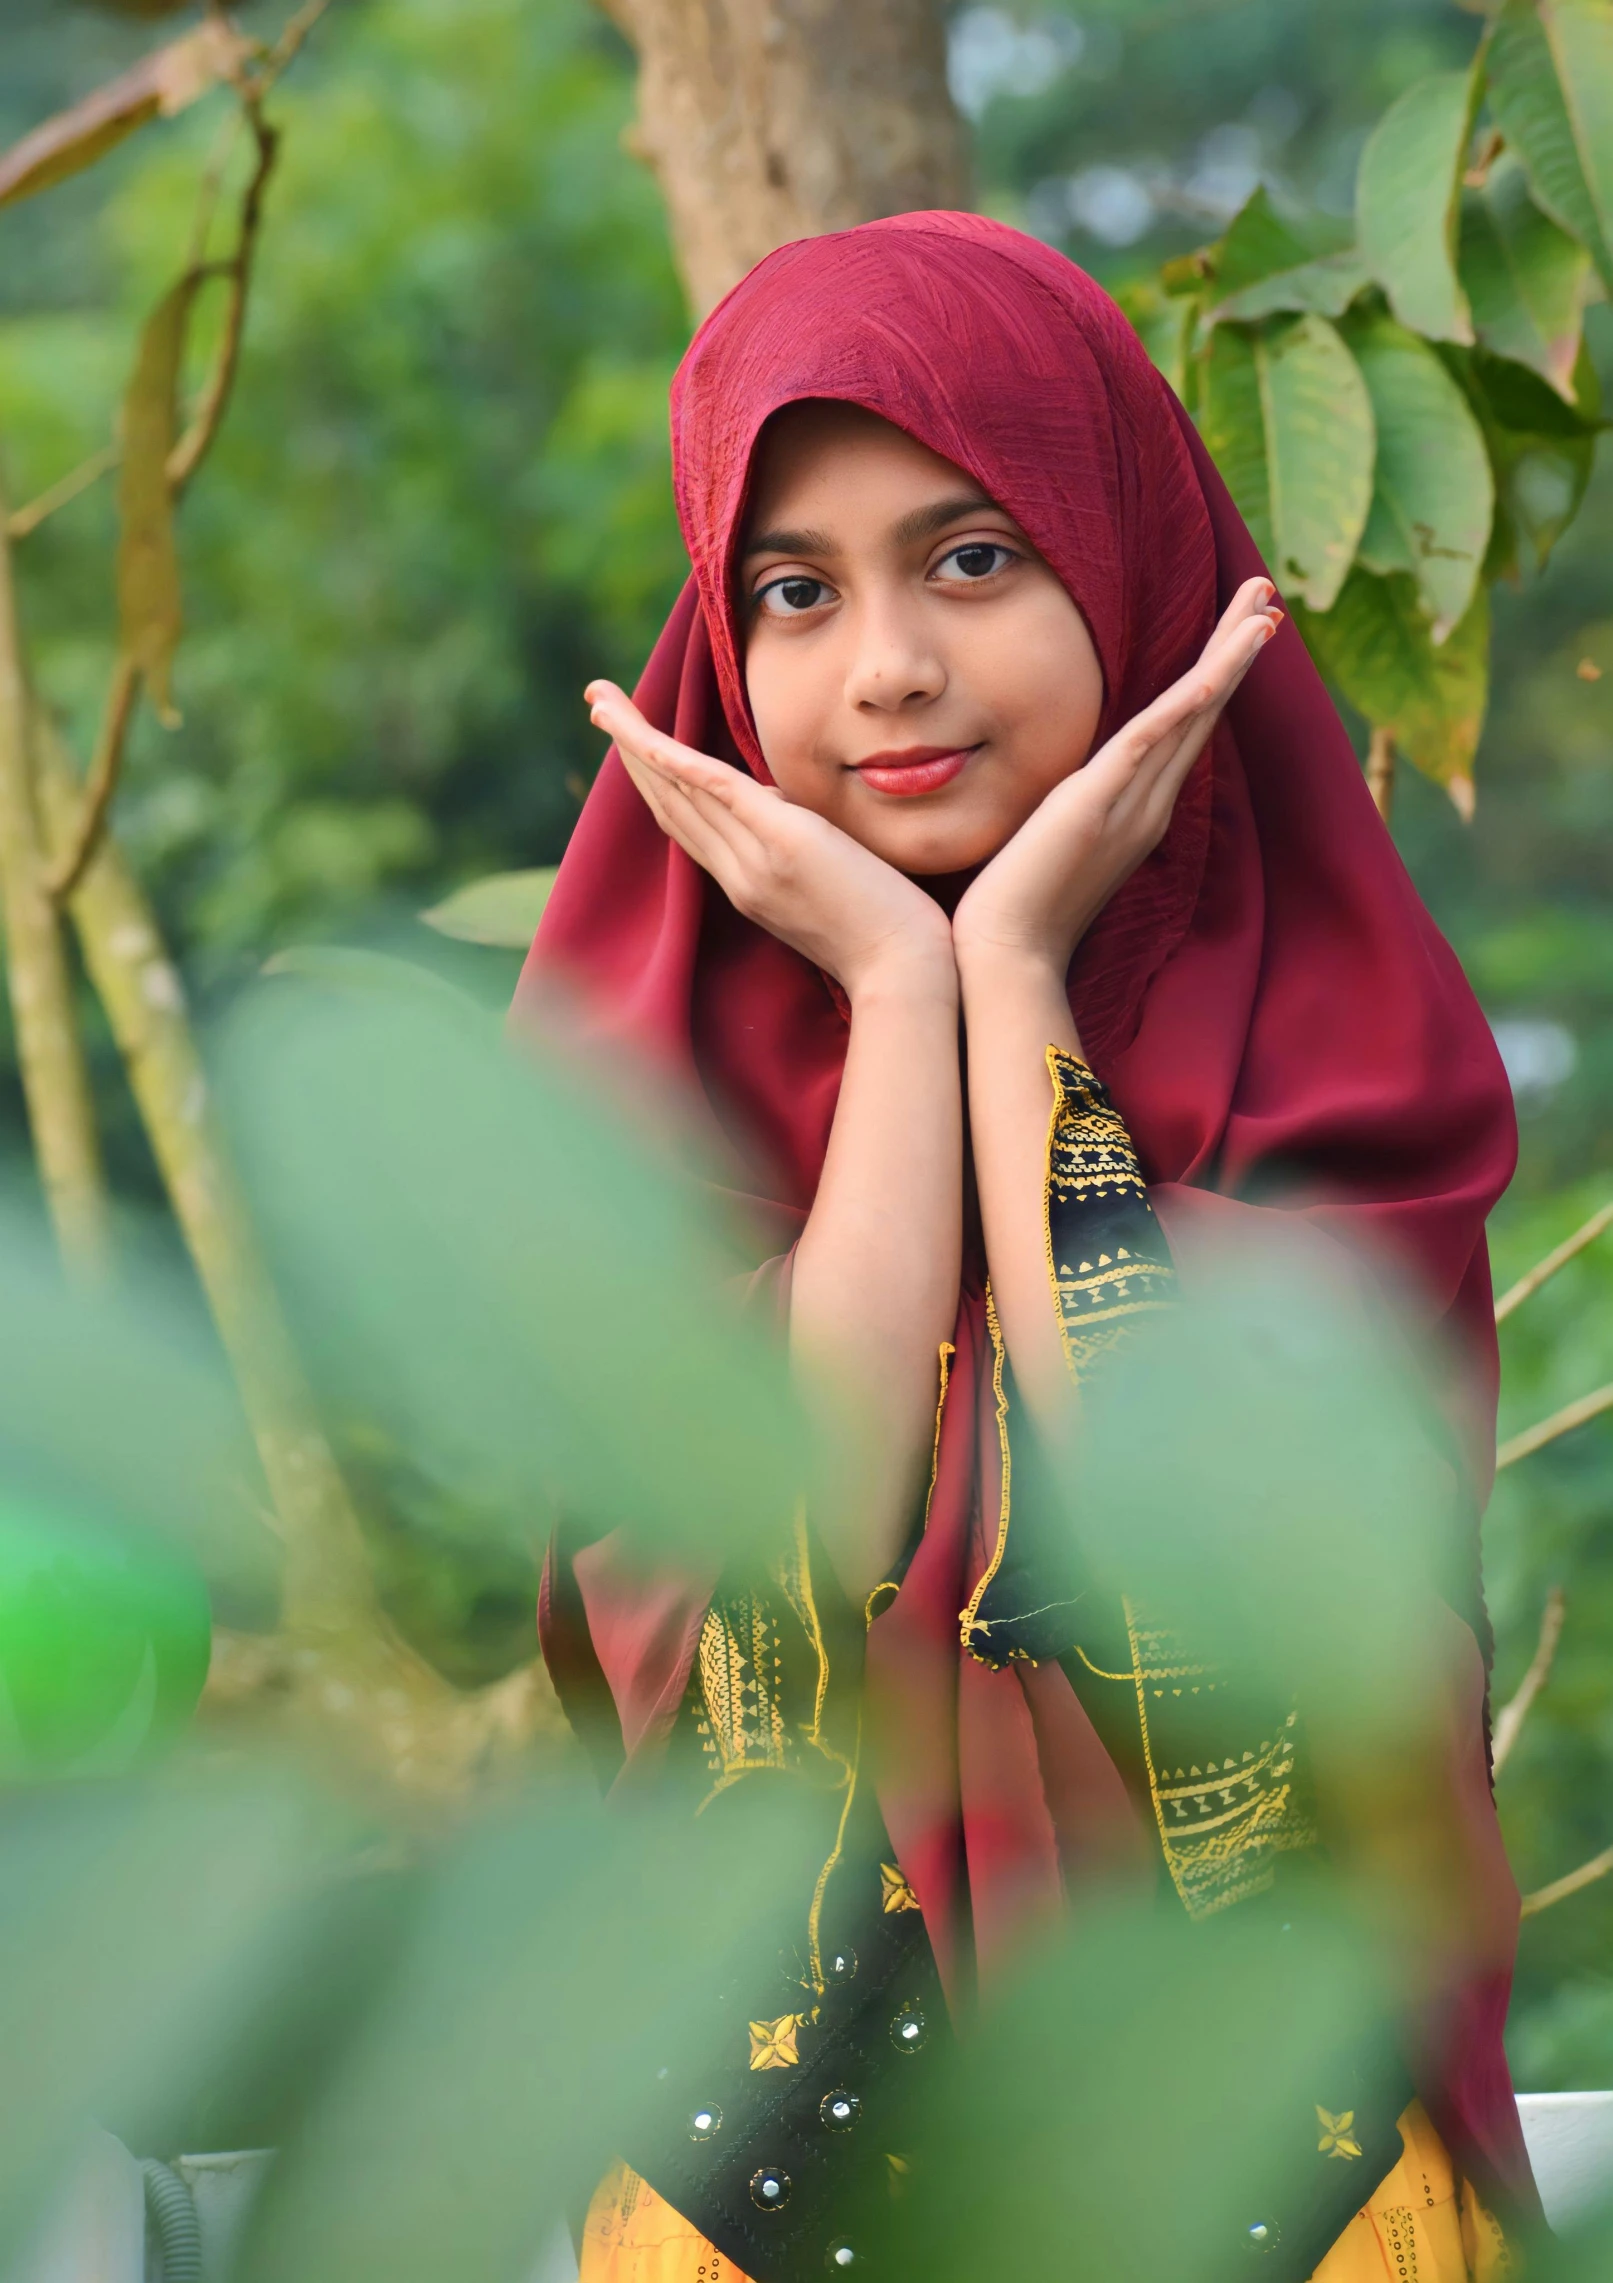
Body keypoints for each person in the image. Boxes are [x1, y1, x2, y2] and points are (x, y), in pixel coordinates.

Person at [518, 213, 1531, 2283]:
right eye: (794, 592)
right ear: (722, 643)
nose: (883, 662)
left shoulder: (1346, 1059)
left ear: (1126, 558)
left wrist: (1019, 987)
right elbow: (769, 1593)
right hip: (768, 2197)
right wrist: (900, 1003)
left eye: (969, 558)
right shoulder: (635, 1103)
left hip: (1287, 2174)